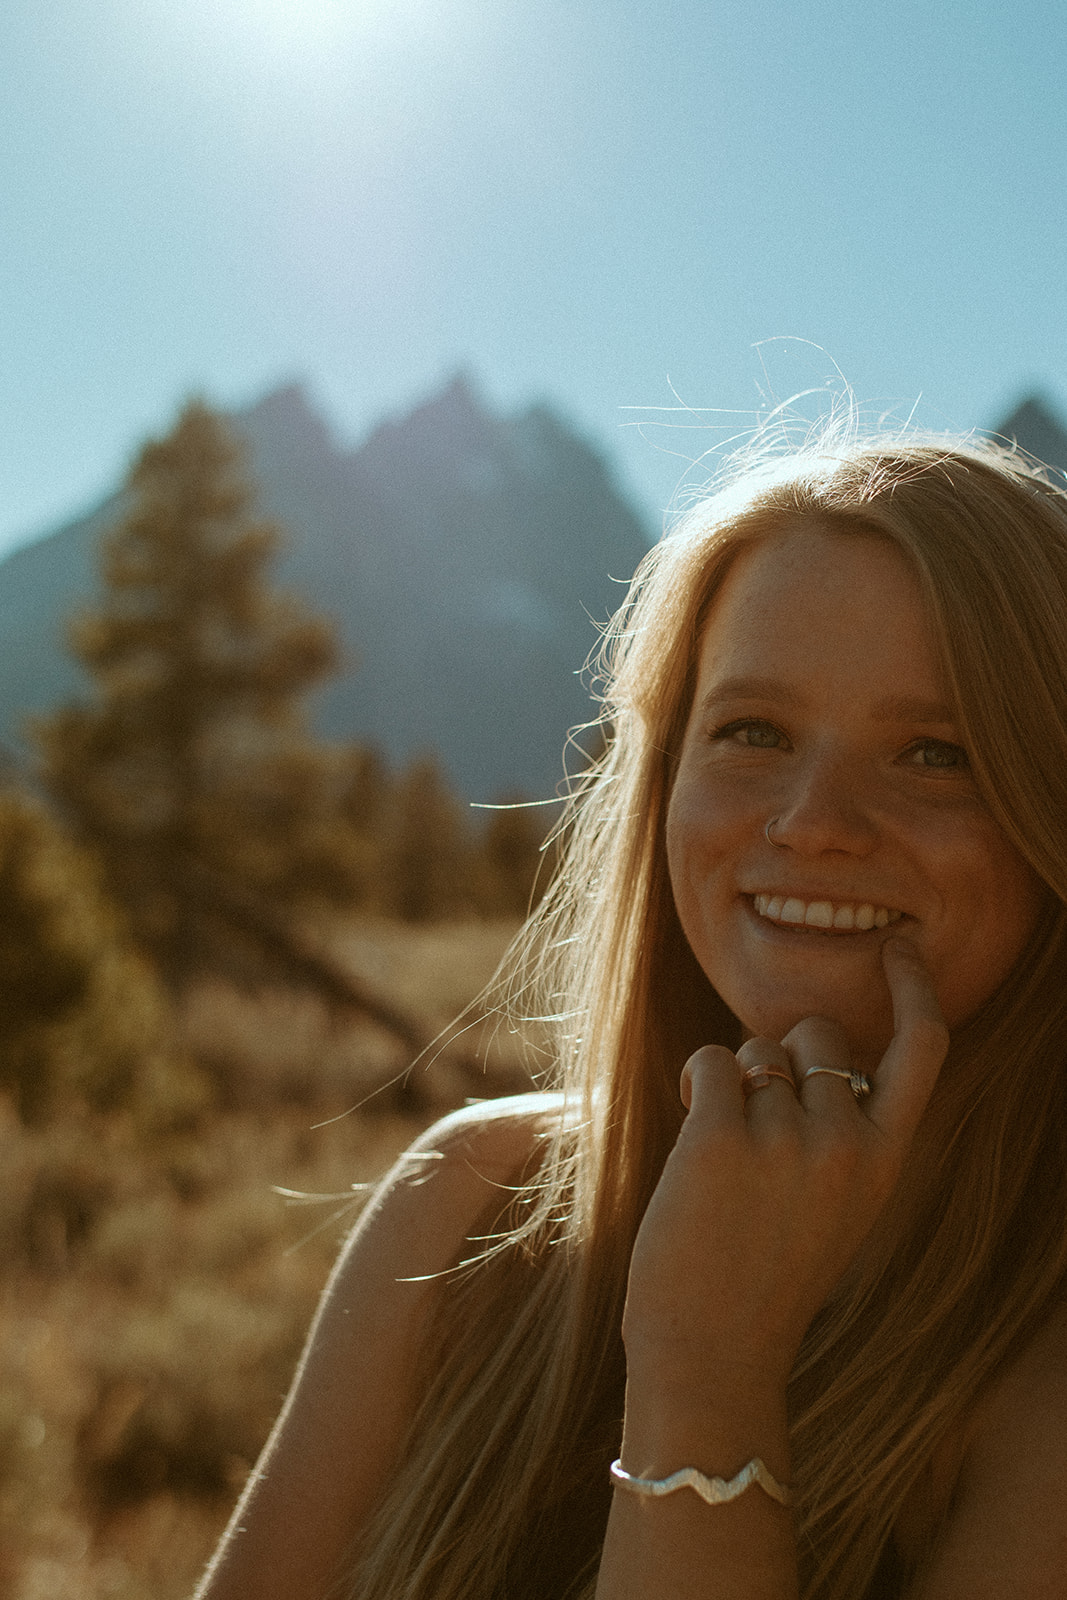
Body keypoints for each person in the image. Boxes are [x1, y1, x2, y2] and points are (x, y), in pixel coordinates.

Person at [195, 432, 1067, 1600]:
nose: (812, 821)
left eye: (933, 751)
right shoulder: (468, 1202)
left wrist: (703, 1371)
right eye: (752, 730)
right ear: (661, 780)